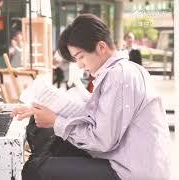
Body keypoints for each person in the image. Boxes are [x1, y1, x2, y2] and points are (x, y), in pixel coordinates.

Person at [12, 14, 170, 180]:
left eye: (80, 56)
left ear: (101, 47)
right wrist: (44, 110)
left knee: (35, 169)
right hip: (127, 160)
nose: (79, 64)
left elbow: (102, 140)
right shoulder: (121, 71)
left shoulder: (119, 76)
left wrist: (55, 121)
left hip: (130, 171)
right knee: (56, 145)